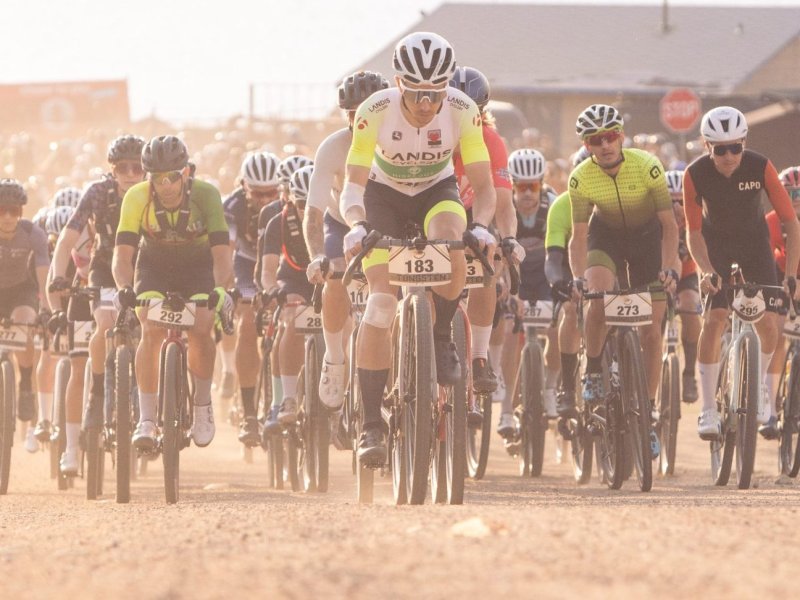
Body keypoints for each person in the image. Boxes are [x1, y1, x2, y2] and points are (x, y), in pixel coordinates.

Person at [340, 32, 507, 463]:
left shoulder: (462, 109)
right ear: (398, 83)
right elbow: (353, 185)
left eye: (435, 93)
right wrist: (357, 225)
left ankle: (440, 334)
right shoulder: (373, 110)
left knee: (453, 241)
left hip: (436, 189)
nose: (426, 104)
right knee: (379, 304)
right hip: (383, 196)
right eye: (416, 93)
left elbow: (485, 189)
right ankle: (371, 426)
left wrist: (484, 227)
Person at [568, 104, 679, 458]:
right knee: (598, 297)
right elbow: (579, 236)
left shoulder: (647, 166)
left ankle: (647, 413)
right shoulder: (580, 178)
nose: (605, 145)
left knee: (652, 330)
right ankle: (595, 370)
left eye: (611, 136)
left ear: (622, 136)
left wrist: (669, 267)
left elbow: (669, 226)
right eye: (596, 140)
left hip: (648, 240)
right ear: (587, 145)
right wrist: (577, 279)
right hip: (607, 239)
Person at [683, 107, 800, 440]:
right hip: (715, 245)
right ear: (707, 146)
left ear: (744, 143)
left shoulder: (760, 165)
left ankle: (763, 389)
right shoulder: (695, 173)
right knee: (716, 316)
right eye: (720, 149)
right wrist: (706, 271)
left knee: (767, 321)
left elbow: (791, 222)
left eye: (736, 147)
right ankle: (707, 409)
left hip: (753, 244)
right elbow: (693, 232)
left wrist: (789, 274)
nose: (730, 155)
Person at [113, 135, 233, 450]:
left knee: (201, 327)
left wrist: (220, 290)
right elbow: (123, 256)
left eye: (172, 177)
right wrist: (125, 288)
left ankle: (202, 405)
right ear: (147, 177)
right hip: (153, 265)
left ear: (185, 173)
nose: (165, 186)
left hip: (197, 266)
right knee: (150, 329)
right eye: (157, 178)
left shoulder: (206, 195)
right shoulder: (137, 197)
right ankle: (148, 419)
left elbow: (221, 255)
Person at [49, 135, 146, 438]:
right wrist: (57, 279)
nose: (130, 174)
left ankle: (147, 400)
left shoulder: (152, 192)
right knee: (104, 322)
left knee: (149, 328)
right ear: (112, 170)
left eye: (137, 168)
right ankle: (98, 392)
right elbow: (67, 239)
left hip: (144, 267)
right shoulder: (97, 193)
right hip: (104, 266)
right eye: (123, 168)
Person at [305, 70, 389, 410]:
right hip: (340, 224)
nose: (362, 119)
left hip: (383, 225)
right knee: (335, 278)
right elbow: (312, 213)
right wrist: (316, 257)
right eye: (354, 114)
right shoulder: (333, 147)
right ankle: (335, 359)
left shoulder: (397, 142)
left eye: (371, 110)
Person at [449, 66, 519, 408]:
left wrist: (508, 240)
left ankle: (478, 358)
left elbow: (503, 204)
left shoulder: (491, 140)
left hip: (478, 216)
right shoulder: (430, 134)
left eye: (472, 112)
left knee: (488, 261)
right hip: (432, 215)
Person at [497, 148, 557, 438]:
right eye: (520, 187)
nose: (527, 194)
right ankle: (506, 409)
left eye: (533, 186)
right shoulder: (503, 205)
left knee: (559, 323)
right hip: (514, 275)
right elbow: (496, 255)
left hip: (546, 275)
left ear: (541, 184)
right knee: (509, 330)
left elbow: (565, 251)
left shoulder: (554, 204)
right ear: (512, 186)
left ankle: (550, 388)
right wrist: (507, 289)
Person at [223, 151, 282, 445]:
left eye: (271, 192)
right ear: (244, 187)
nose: (264, 199)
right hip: (245, 264)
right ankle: (249, 414)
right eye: (258, 193)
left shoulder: (288, 203)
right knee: (247, 321)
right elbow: (227, 248)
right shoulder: (231, 207)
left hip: (279, 261)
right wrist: (228, 289)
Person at [261, 165, 315, 431]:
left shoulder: (333, 215)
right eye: (302, 203)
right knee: (292, 319)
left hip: (326, 278)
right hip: (292, 279)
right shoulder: (277, 222)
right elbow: (268, 271)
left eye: (313, 201)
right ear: (290, 199)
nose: (307, 208)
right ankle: (288, 398)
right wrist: (273, 291)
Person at [0, 179, 49, 449]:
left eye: (14, 211)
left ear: (20, 212)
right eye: (2, 210)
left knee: (24, 322)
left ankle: (26, 383)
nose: (8, 217)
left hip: (21, 290)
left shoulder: (33, 233)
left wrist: (45, 308)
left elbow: (43, 272)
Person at [758, 166, 800, 439]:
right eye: (789, 193)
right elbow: (766, 257)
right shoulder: (772, 220)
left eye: (799, 193)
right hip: (779, 273)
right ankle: (770, 407)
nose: (795, 198)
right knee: (778, 333)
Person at [664, 169, 700, 403]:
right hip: (660, 275)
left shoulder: (694, 216)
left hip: (686, 275)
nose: (677, 205)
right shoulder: (655, 217)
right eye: (671, 200)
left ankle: (689, 374)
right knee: (653, 319)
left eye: (681, 199)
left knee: (689, 306)